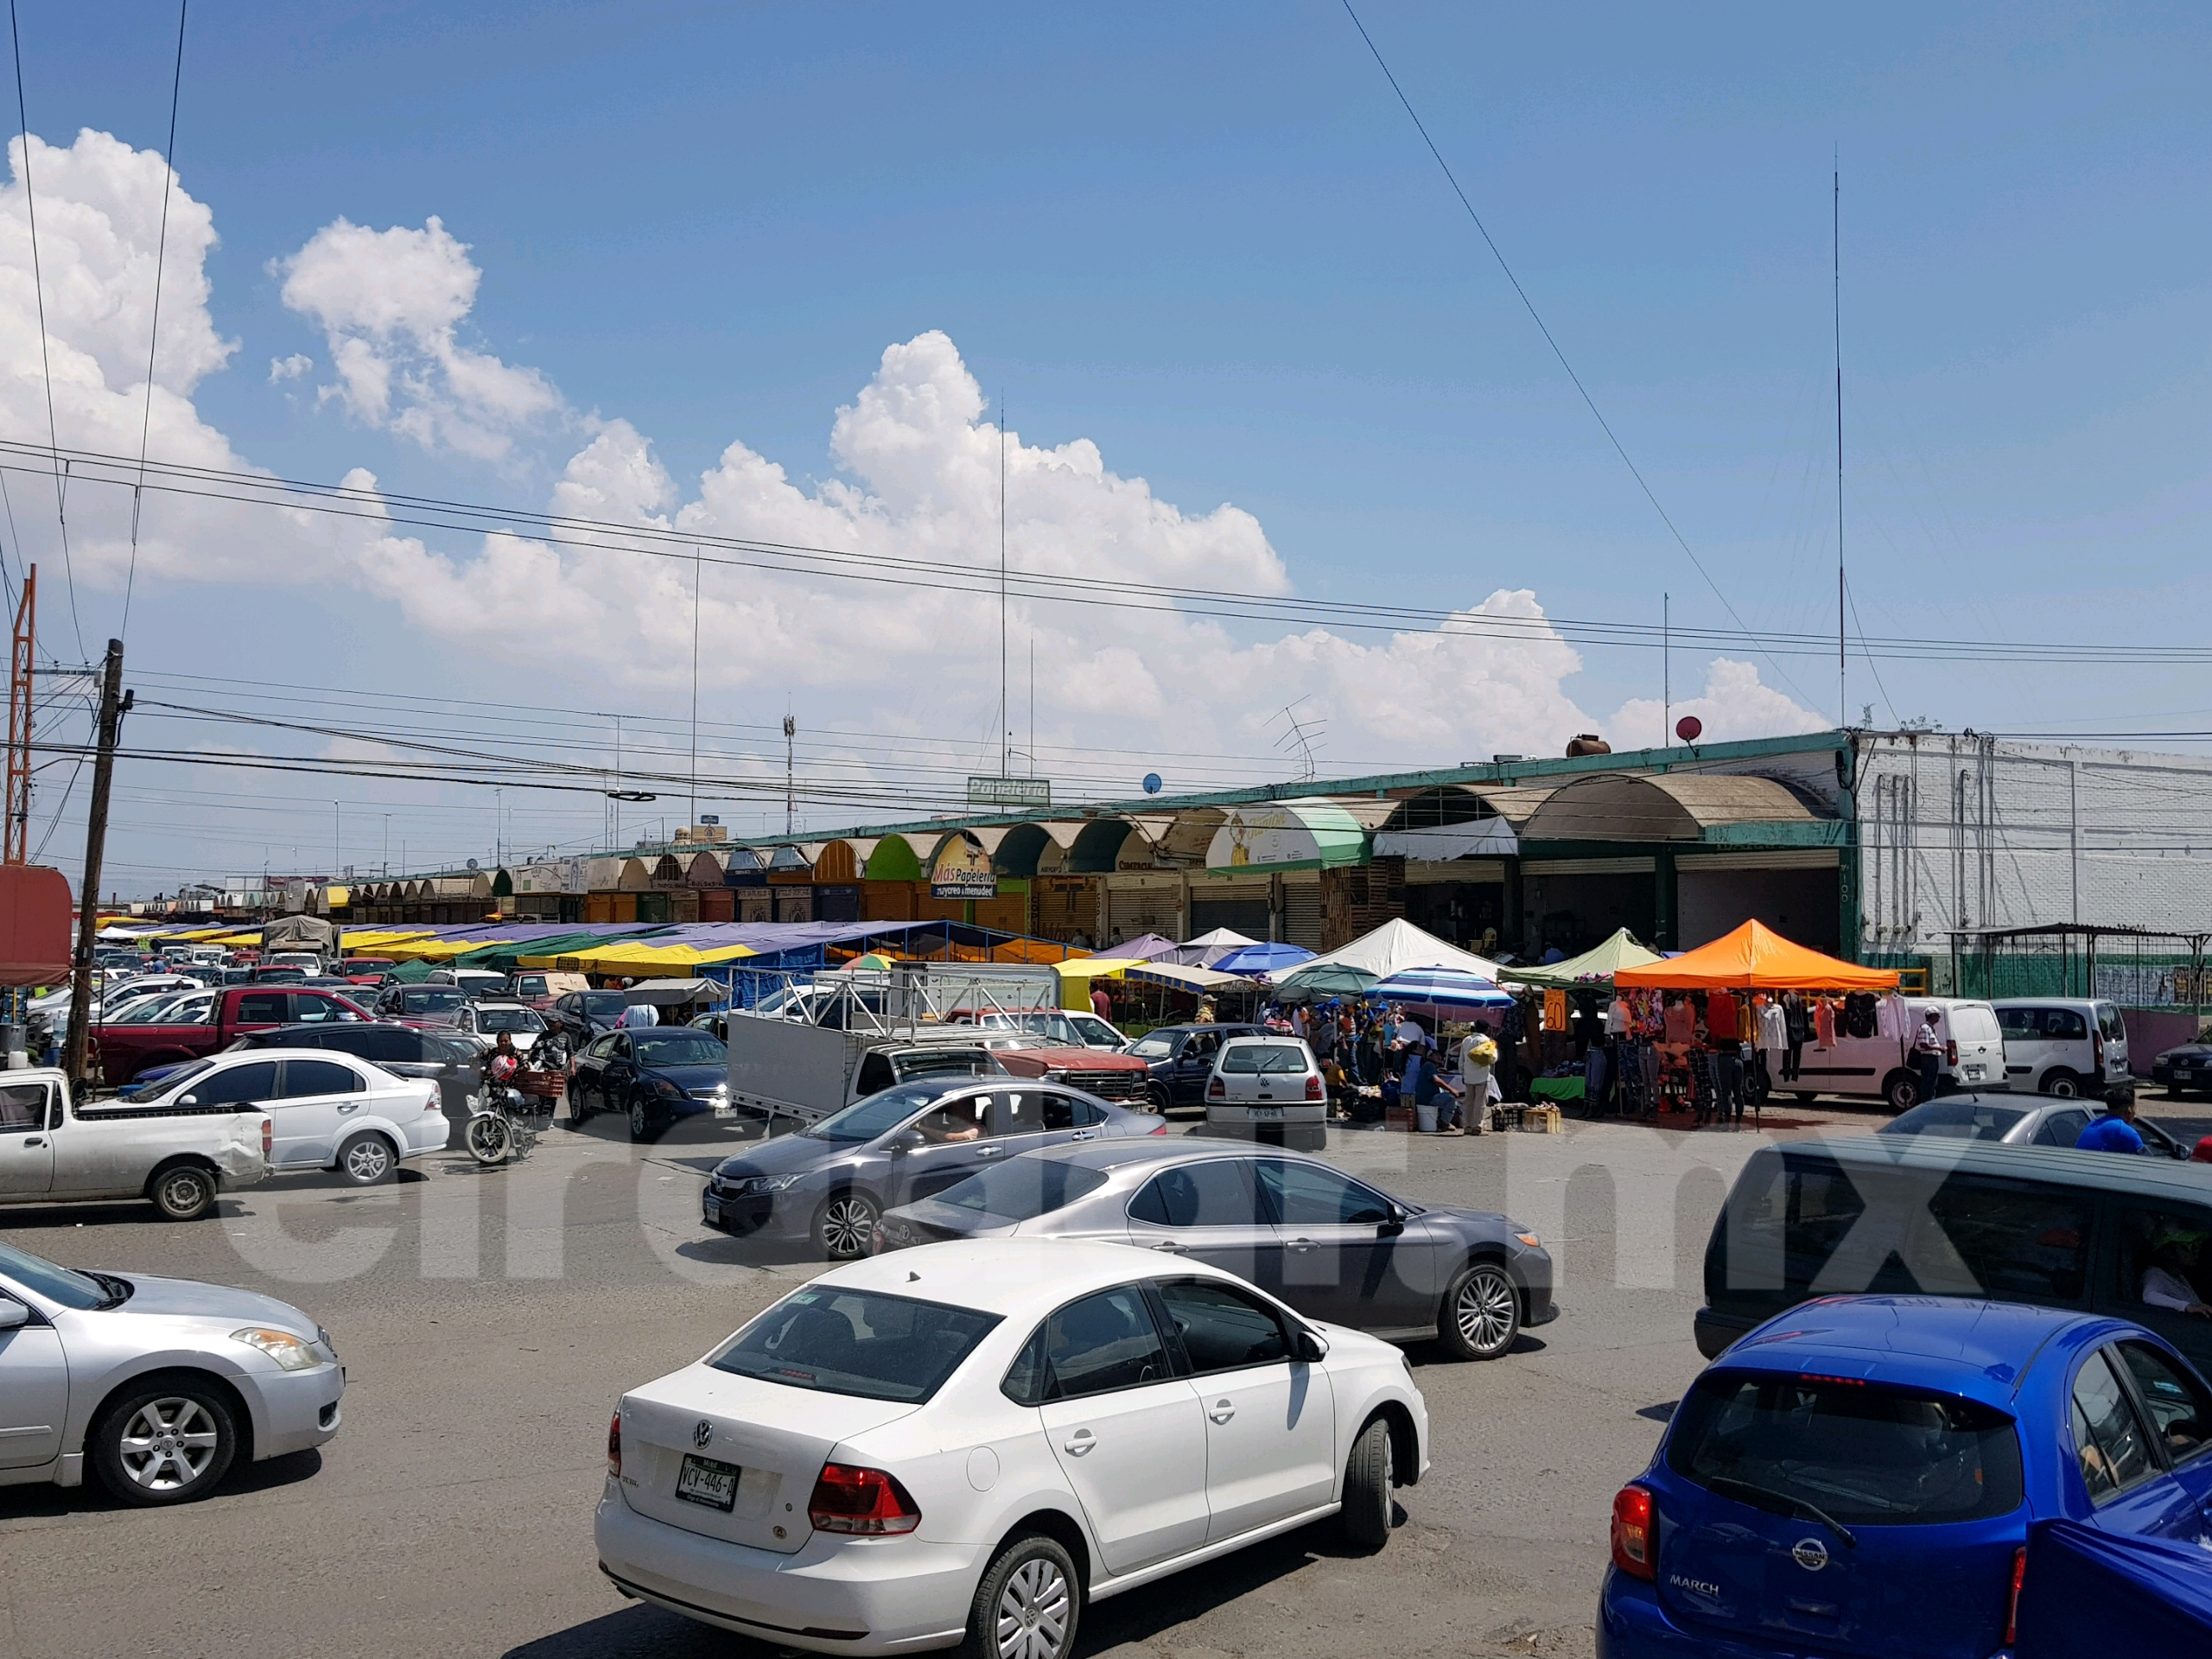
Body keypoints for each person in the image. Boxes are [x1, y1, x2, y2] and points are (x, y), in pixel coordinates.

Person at [2141, 1235, 2212, 1318]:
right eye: (2186, 1248)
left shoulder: (2181, 1278)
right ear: (2169, 1253)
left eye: (2195, 1247)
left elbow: (2196, 1304)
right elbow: (2150, 1296)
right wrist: (2186, 1307)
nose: (2194, 1252)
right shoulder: (2155, 1273)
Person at [2075, 1096, 2145, 1154]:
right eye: (2135, 1107)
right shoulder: (2122, 1130)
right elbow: (2145, 1160)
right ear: (2129, 1110)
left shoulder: (2093, 1123)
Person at [1910, 1008, 1945, 1103]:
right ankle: (1926, 1102)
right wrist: (1939, 1048)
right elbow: (1923, 1045)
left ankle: (1931, 1101)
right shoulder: (1925, 1028)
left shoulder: (1931, 1028)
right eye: (1937, 1015)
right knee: (1928, 1082)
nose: (1939, 1017)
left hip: (1933, 1059)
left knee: (1933, 1082)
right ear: (1932, 1016)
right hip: (1928, 1059)